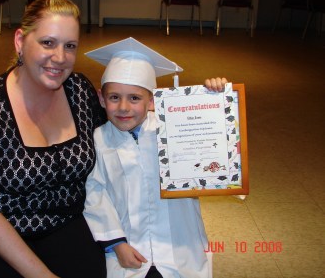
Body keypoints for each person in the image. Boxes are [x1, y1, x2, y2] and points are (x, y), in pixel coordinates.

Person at [0, 0, 108, 278]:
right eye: (48, 42)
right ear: (20, 41)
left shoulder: (80, 91)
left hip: (63, 220)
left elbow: (125, 126)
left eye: (70, 46)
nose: (60, 58)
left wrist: (200, 101)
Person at [83, 37, 228, 278]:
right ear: (101, 98)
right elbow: (95, 193)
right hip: (128, 247)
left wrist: (216, 98)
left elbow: (216, 145)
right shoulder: (98, 139)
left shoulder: (174, 128)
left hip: (180, 245)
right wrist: (116, 243)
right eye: (114, 97)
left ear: (152, 100)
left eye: (135, 98)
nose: (124, 108)